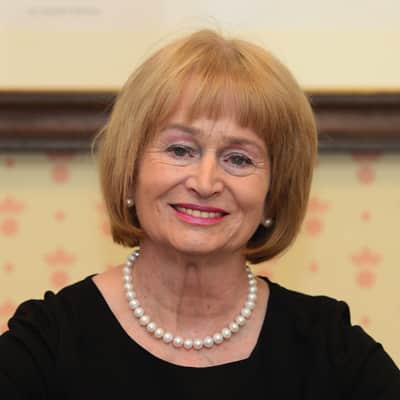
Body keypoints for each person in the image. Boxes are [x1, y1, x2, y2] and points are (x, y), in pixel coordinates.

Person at [1, 29, 399, 399]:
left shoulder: (331, 351)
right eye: (180, 150)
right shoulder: (47, 344)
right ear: (130, 171)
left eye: (238, 158)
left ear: (273, 195)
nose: (206, 183)